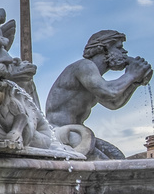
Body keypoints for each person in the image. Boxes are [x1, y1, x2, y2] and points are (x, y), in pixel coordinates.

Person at [45, 30, 152, 159]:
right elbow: (110, 92)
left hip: (78, 132)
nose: (125, 52)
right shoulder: (84, 66)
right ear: (104, 48)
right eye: (119, 47)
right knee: (108, 166)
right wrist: (131, 75)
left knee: (118, 157)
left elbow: (113, 103)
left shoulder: (95, 79)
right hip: (61, 132)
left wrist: (135, 82)